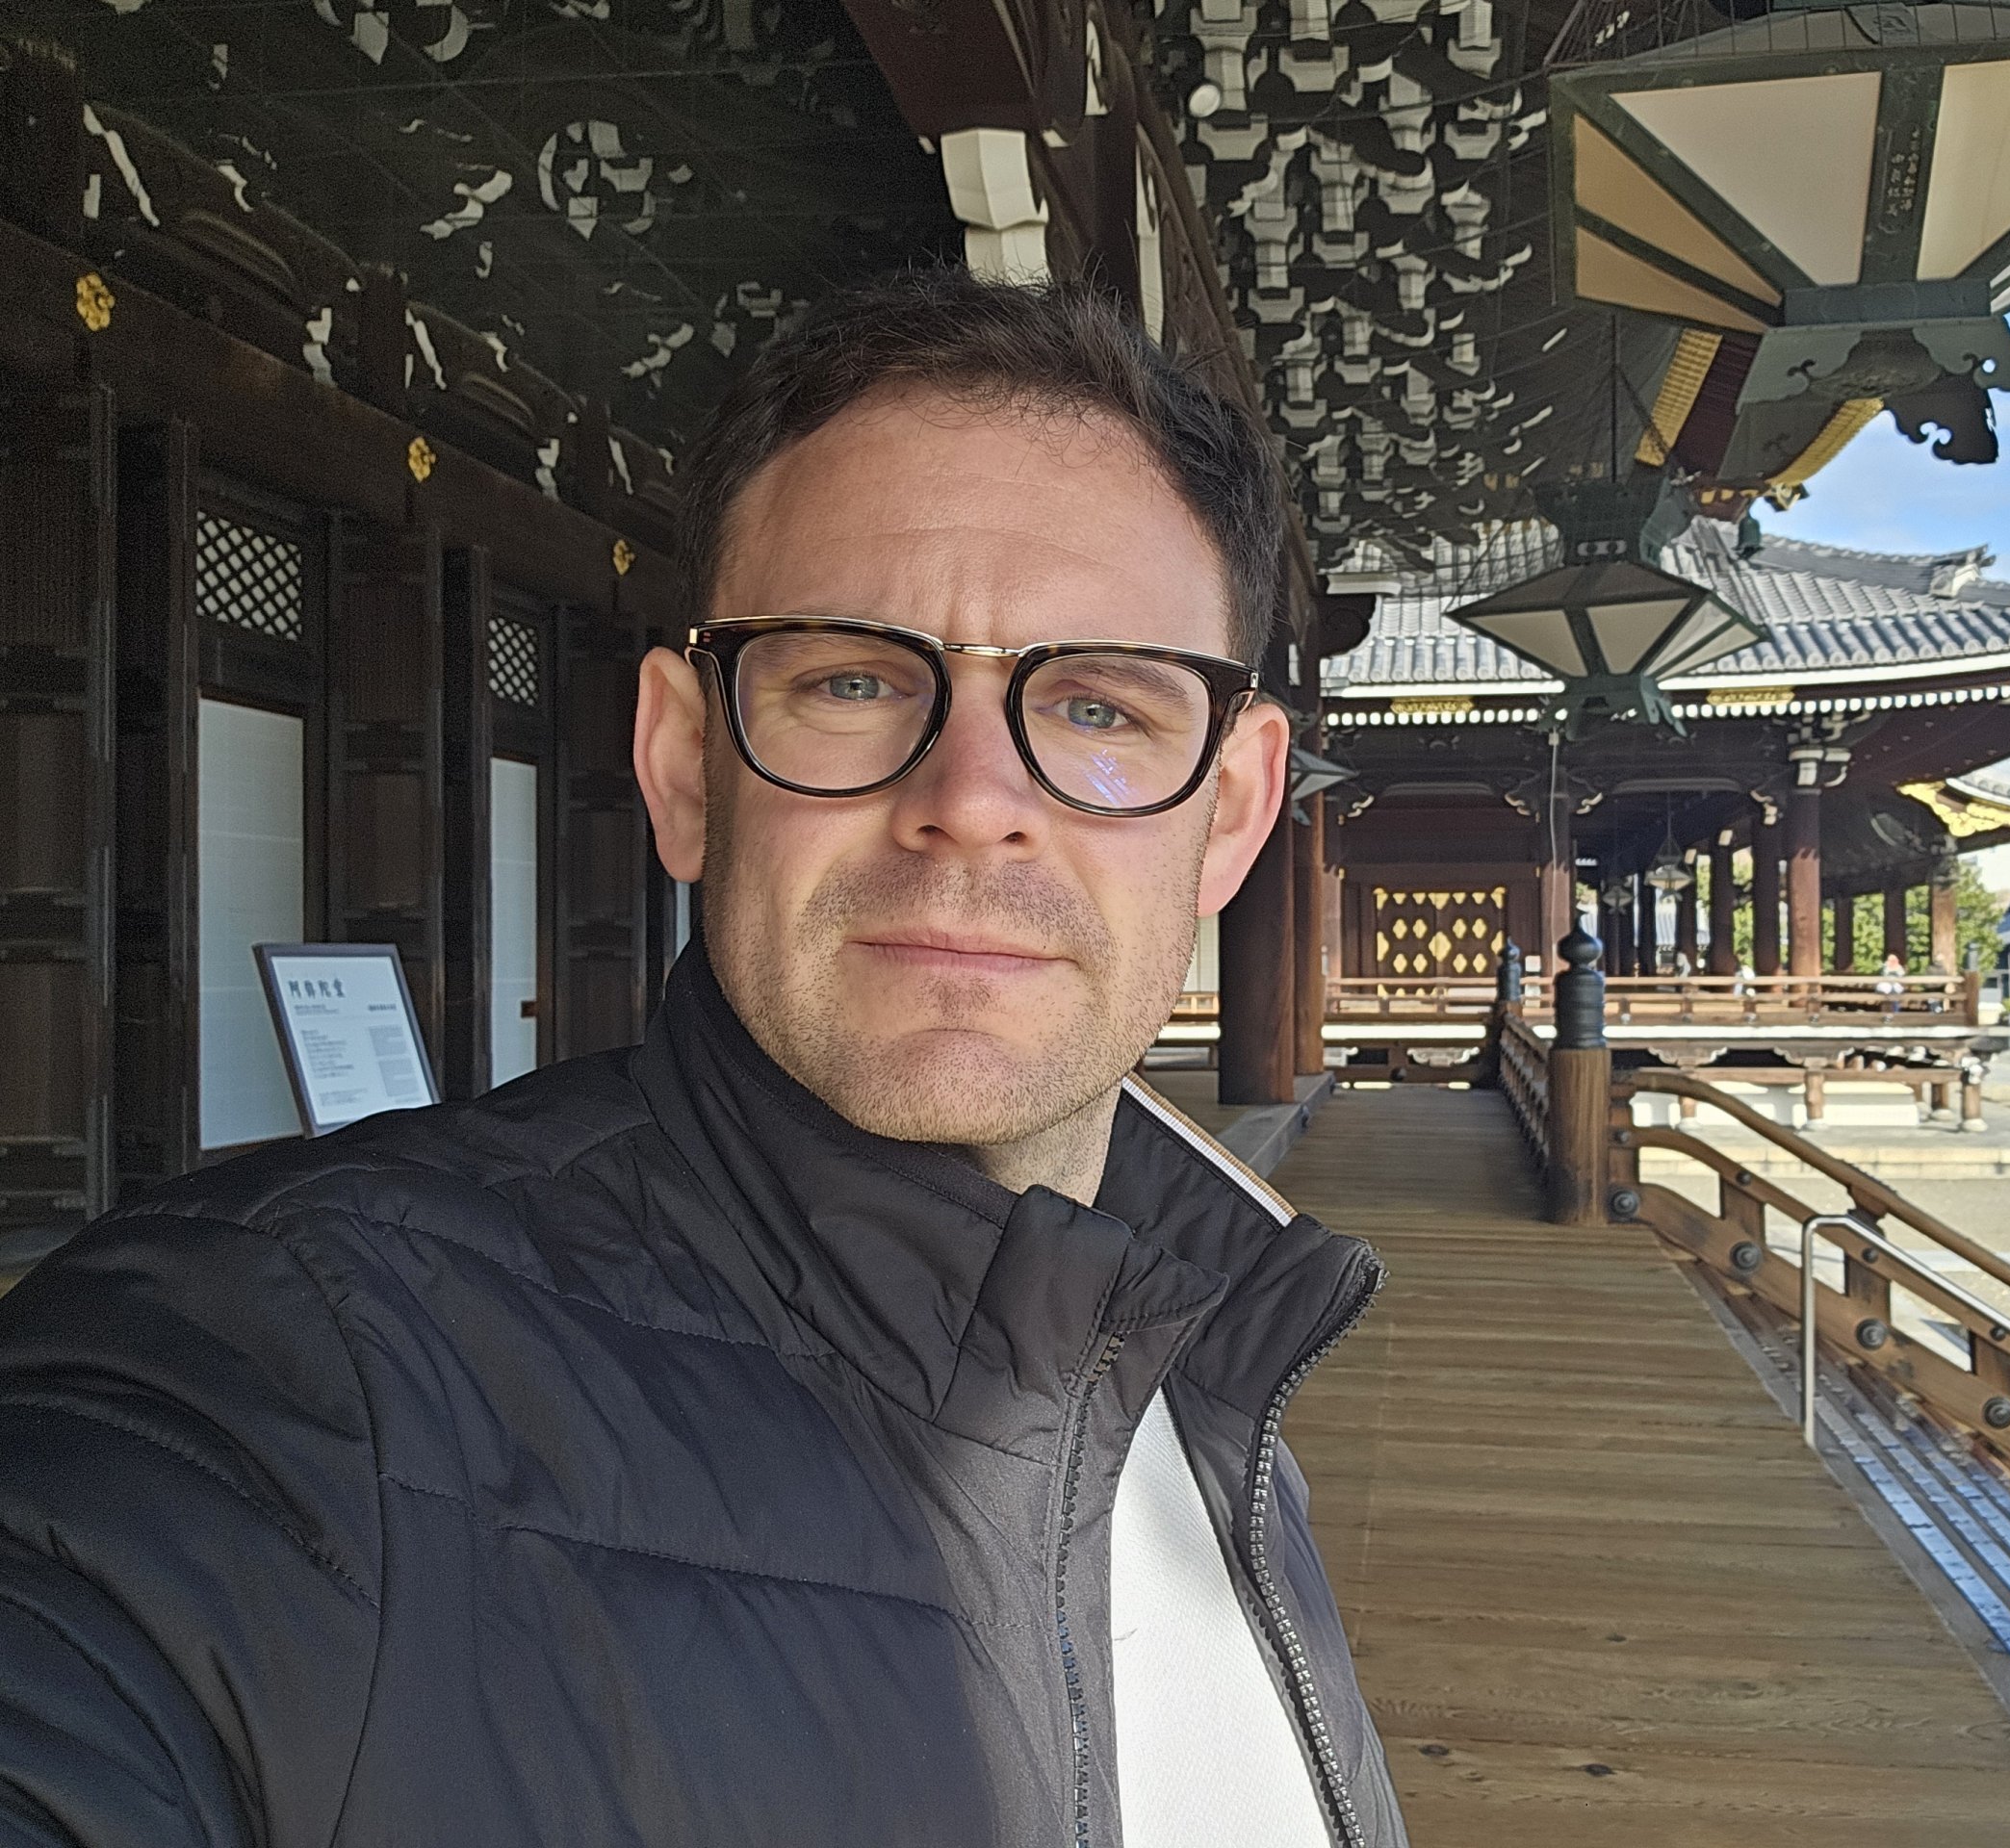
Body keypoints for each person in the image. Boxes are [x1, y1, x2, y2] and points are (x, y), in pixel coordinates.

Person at [0, 271, 1404, 1848]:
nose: (972, 800)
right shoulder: (296, 1379)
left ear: (1230, 813)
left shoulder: (1206, 1368)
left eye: (1099, 708)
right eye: (853, 682)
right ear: (682, 765)